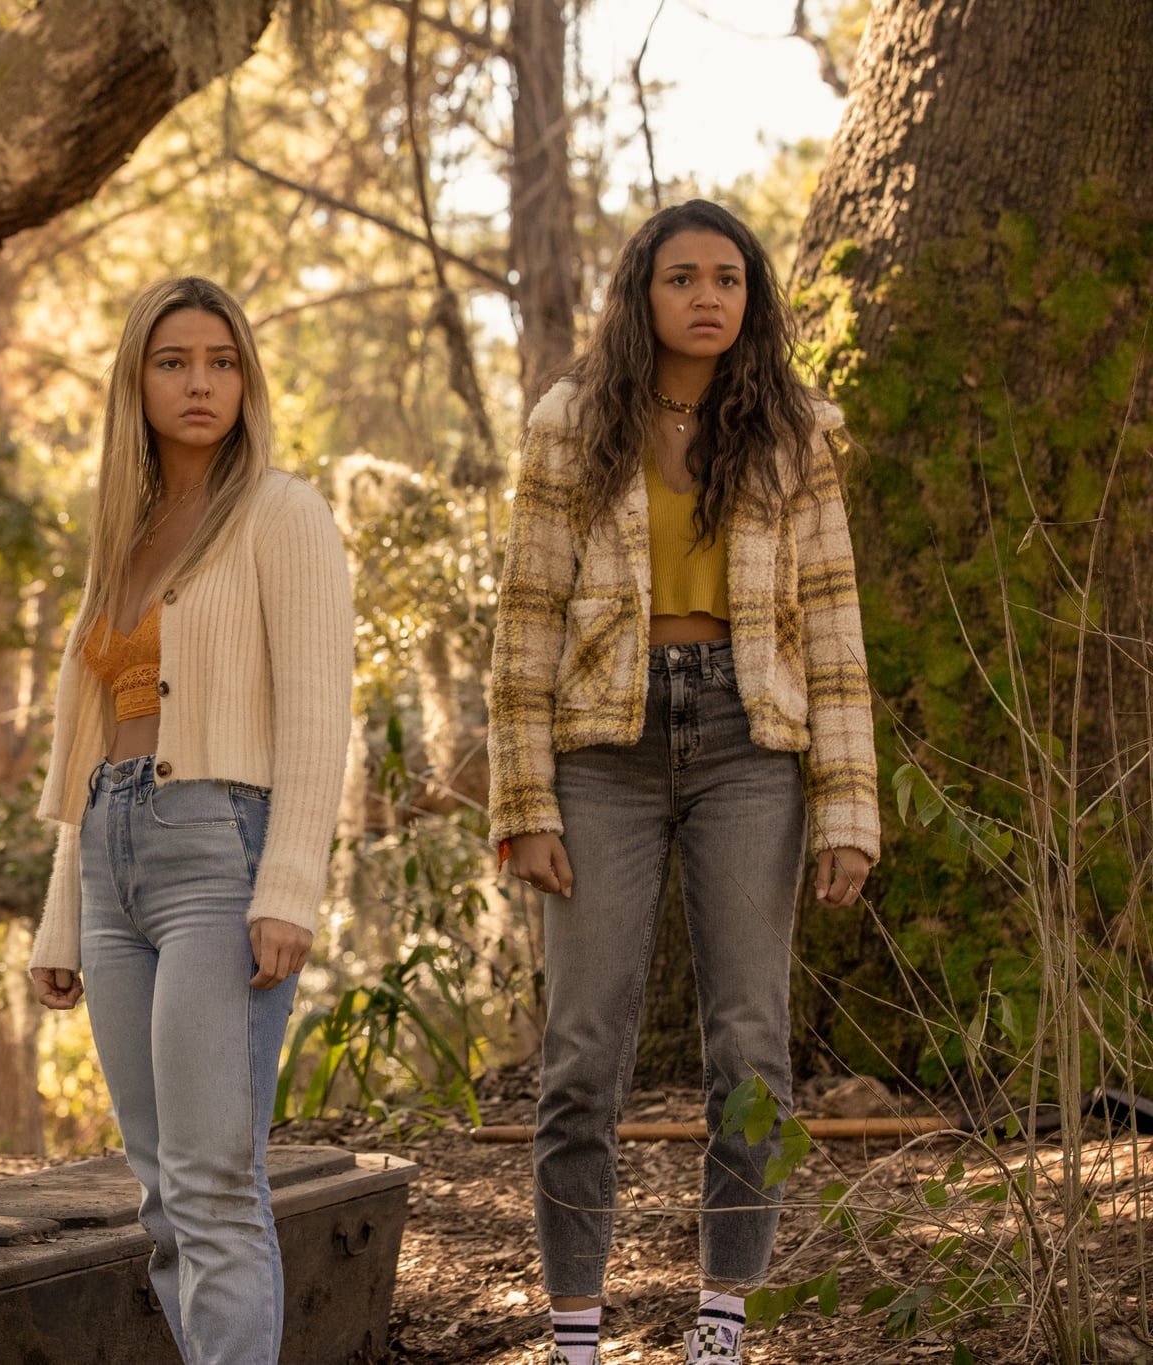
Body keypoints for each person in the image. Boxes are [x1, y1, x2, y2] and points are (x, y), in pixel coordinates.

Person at [488, 198, 881, 1365]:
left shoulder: (794, 431)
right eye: (680, 278)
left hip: (747, 748)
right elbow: (522, 622)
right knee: (577, 1058)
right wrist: (523, 804)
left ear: (749, 297)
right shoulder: (571, 423)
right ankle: (572, 1333)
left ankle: (720, 1322)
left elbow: (832, 625)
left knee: (749, 1052)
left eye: (726, 278)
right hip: (598, 754)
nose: (705, 297)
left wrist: (847, 809)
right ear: (640, 294)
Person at [28, 276, 354, 1365]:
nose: (200, 381)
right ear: (136, 379)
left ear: (247, 380)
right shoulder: (120, 536)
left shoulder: (281, 513)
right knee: (161, 1190)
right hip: (111, 859)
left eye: (221, 361)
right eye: (173, 361)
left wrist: (288, 890)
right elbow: (90, 740)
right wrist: (58, 918)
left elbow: (317, 714)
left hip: (222, 853)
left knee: (216, 1176)